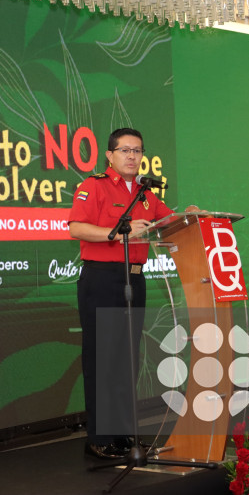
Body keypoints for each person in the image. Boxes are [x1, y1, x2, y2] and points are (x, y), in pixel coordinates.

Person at [69, 128, 175, 460]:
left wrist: (188, 217)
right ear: (110, 155)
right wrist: (119, 233)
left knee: (127, 360)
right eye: (125, 150)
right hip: (102, 279)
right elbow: (77, 228)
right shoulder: (94, 186)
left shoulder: (145, 193)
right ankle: (99, 438)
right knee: (103, 359)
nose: (132, 156)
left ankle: (126, 437)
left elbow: (168, 223)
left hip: (134, 279)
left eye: (138, 151)